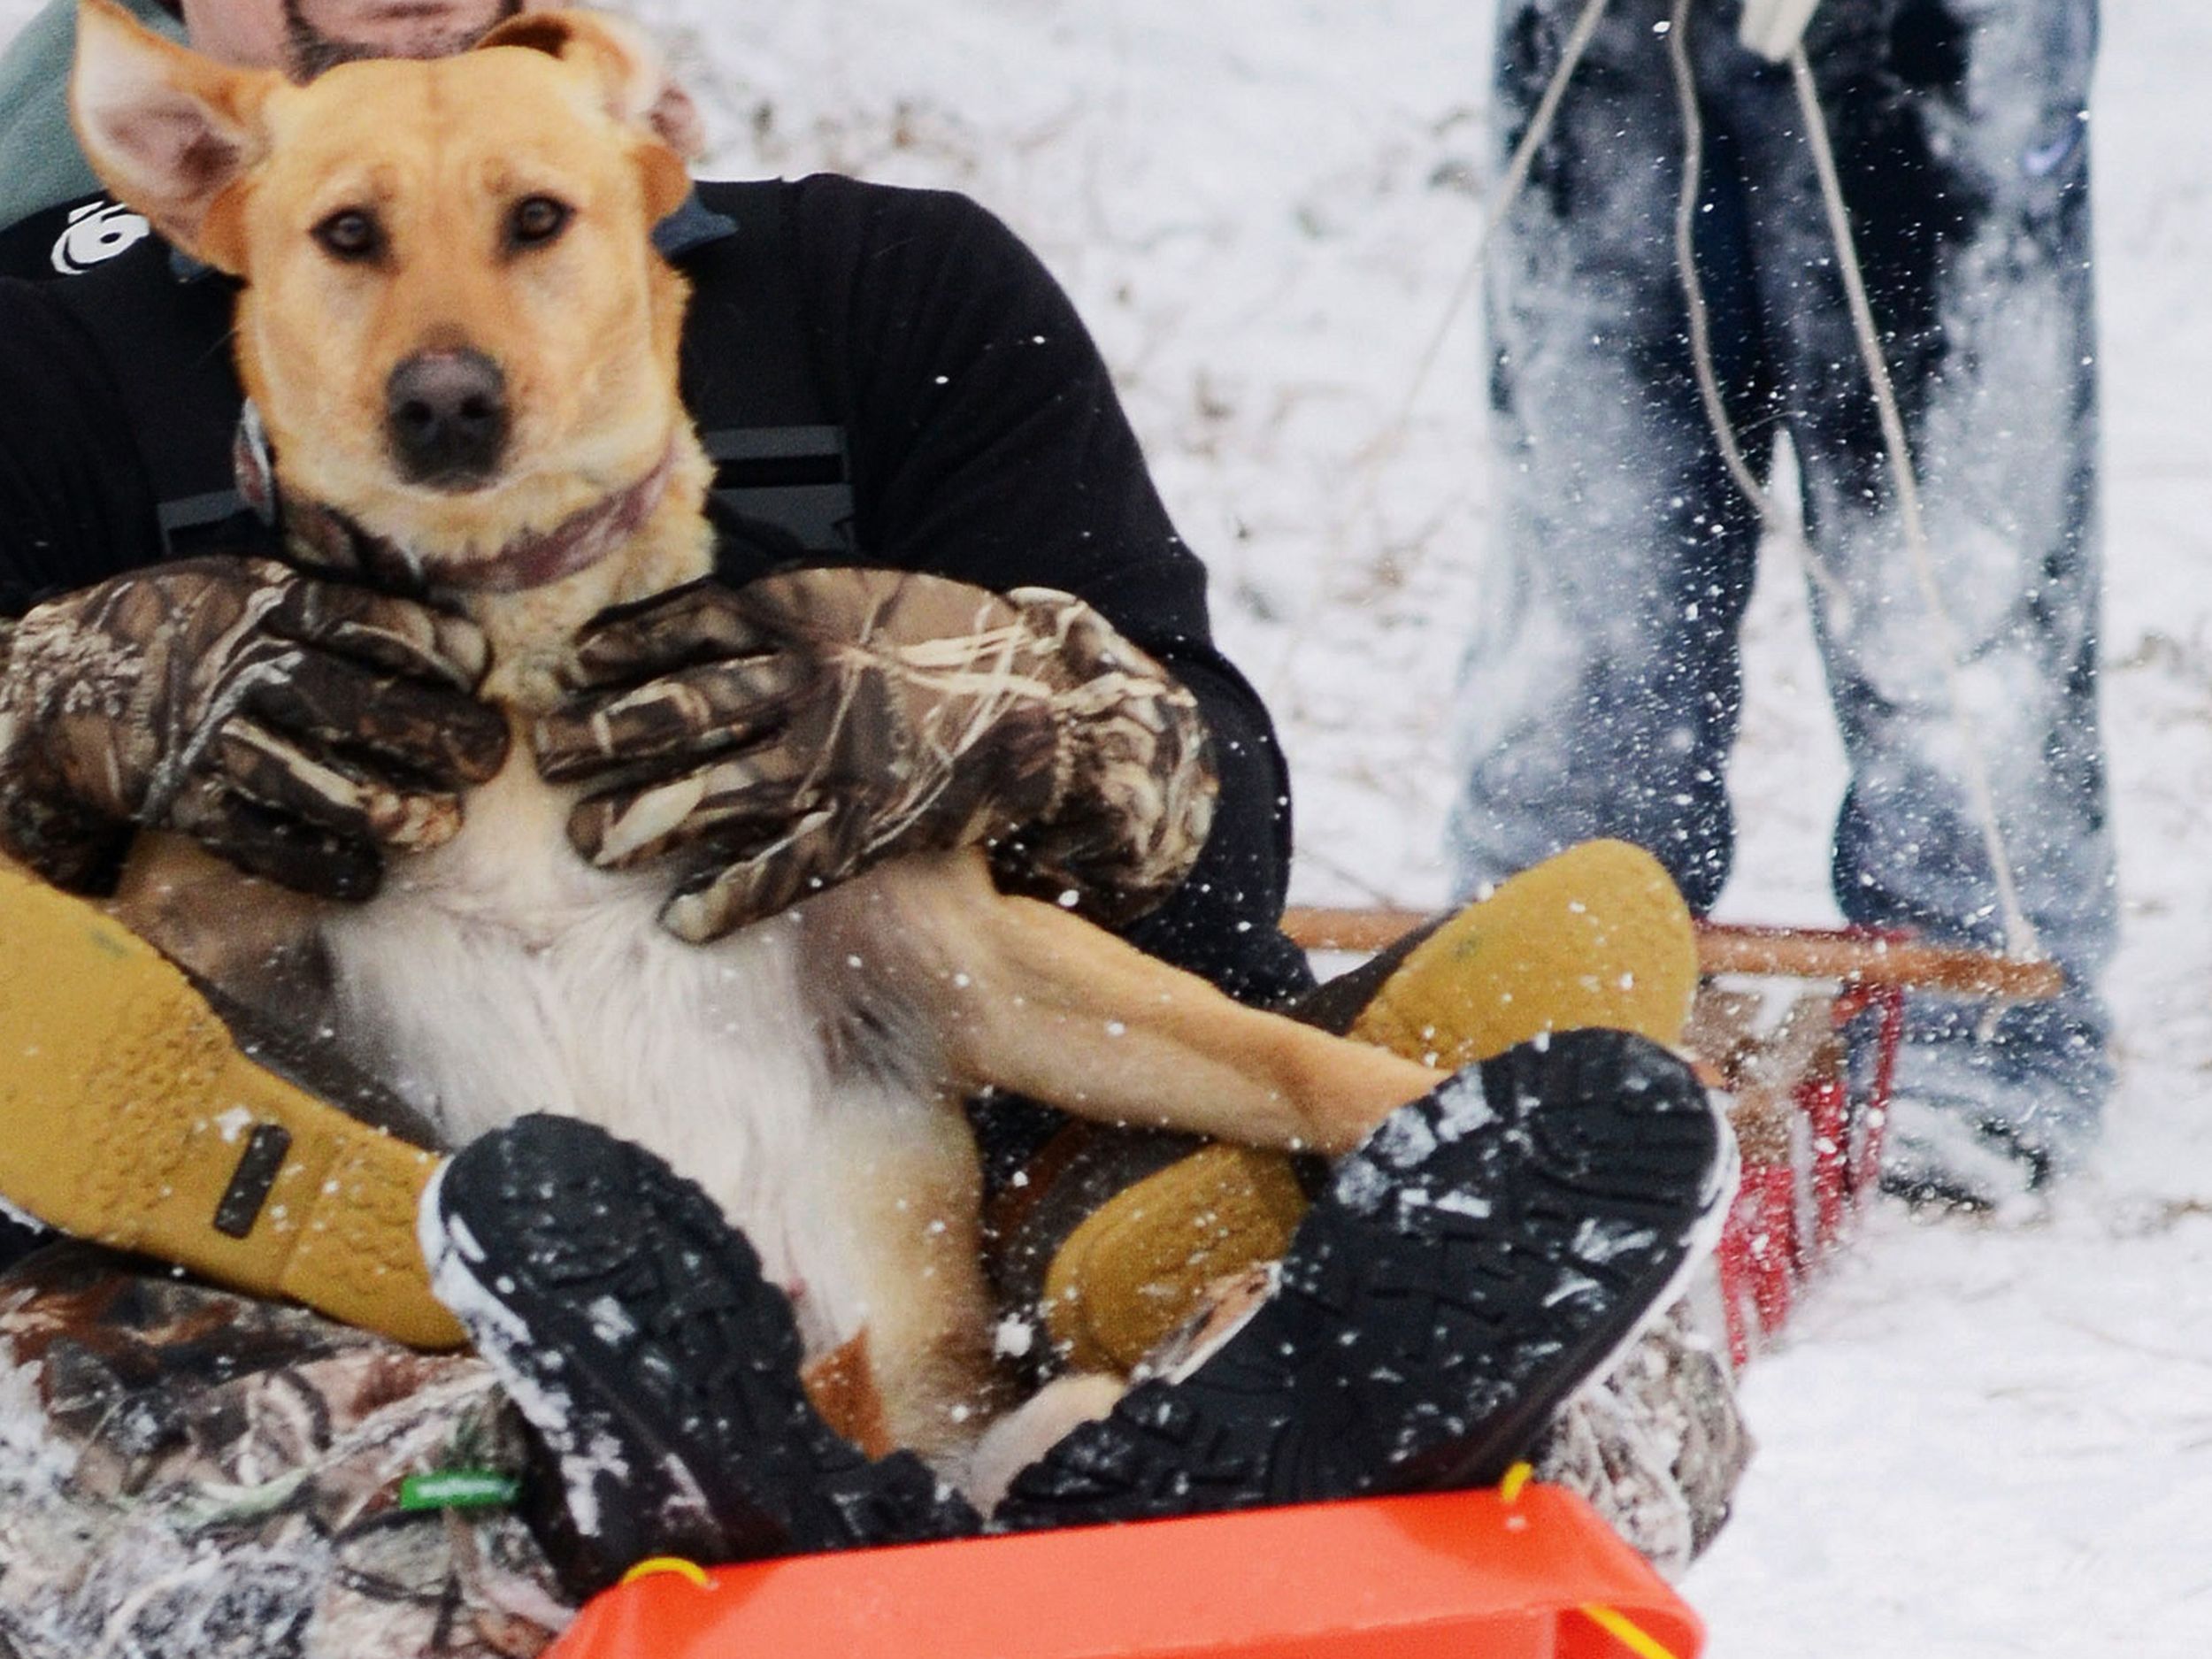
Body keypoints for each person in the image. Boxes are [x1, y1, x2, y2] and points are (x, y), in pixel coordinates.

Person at [0, 0, 1744, 1599]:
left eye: (537, 227)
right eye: (354, 241)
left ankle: (1168, 1378)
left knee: (1511, 1261)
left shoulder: (886, 288)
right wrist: (89, 692)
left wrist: (978, 695)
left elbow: (1215, 849)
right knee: (84, 1408)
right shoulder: (44, 360)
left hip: (959, 1218)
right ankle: (735, 1474)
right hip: (341, 1289)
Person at [1453, 0, 2113, 1210]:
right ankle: (1554, 971)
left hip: (1935, 37)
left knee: (1949, 548)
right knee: (1599, 551)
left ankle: (1972, 1044)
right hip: (1607, 39)